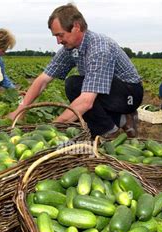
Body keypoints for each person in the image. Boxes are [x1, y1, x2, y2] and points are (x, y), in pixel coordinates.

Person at [8, 4, 144, 138]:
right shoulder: (71, 47)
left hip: (129, 94)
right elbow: (44, 79)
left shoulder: (99, 49)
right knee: (73, 84)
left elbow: (86, 101)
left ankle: (110, 129)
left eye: (60, 35)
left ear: (76, 27)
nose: (58, 41)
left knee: (81, 91)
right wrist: (21, 108)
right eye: (55, 36)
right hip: (109, 92)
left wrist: (54, 126)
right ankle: (120, 121)